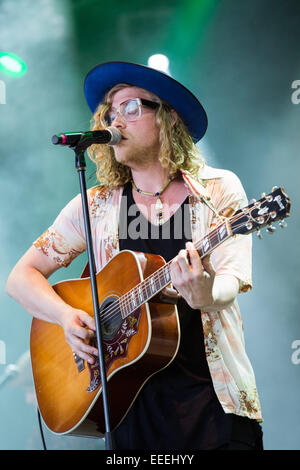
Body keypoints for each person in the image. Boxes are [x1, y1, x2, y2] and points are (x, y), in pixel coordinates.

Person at [6, 61, 263, 450]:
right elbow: (20, 277)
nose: (116, 121)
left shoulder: (218, 189)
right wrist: (64, 317)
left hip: (212, 407)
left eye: (130, 107)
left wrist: (203, 293)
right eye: (110, 112)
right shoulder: (95, 206)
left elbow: (231, 280)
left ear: (168, 118)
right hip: (126, 408)